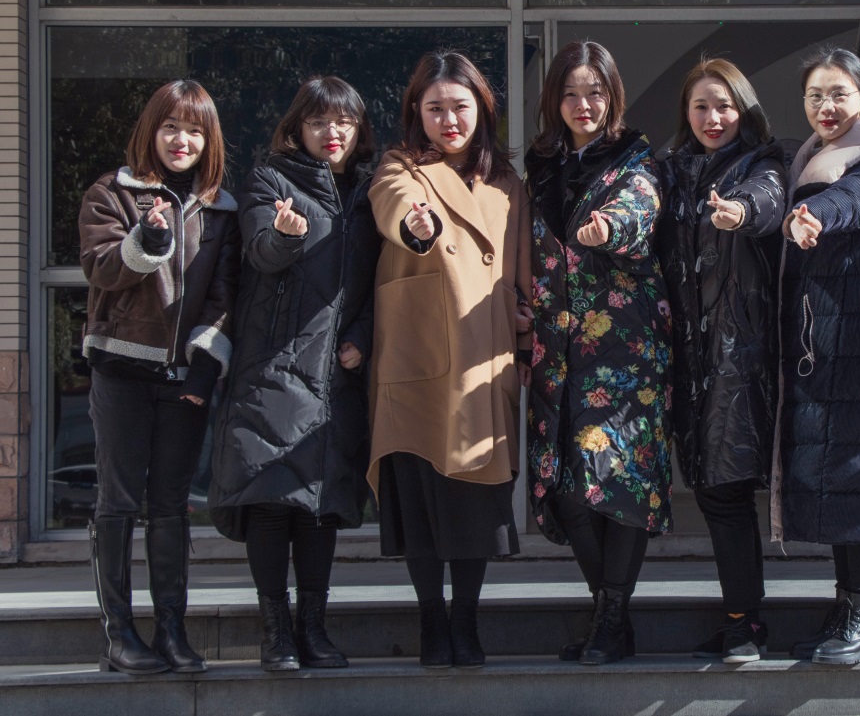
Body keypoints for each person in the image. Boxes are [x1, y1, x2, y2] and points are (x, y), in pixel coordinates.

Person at [209, 76, 382, 671]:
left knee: (319, 507)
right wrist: (284, 236)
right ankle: (275, 631)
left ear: (359, 131)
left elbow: (382, 287)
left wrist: (363, 338)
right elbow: (261, 251)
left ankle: (313, 628)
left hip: (336, 375)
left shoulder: (369, 194)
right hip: (274, 366)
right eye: (318, 122)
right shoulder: (270, 180)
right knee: (271, 499)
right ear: (296, 128)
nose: (332, 133)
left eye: (344, 123)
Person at [367, 51, 532, 669]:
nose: (449, 120)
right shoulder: (400, 167)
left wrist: (526, 334)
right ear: (417, 112)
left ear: (482, 110)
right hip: (419, 362)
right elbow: (399, 208)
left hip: (483, 361)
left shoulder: (508, 183)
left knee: (473, 505)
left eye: (460, 107)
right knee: (421, 501)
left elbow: (524, 272)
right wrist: (418, 226)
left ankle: (465, 619)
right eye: (434, 108)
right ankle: (431, 620)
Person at [78, 79, 239, 674]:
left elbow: (224, 296)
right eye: (171, 127)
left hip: (183, 381)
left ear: (208, 140)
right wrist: (146, 239)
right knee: (118, 502)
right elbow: (100, 269)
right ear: (152, 130)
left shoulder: (220, 209)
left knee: (170, 505)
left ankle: (171, 630)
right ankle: (119, 635)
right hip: (120, 369)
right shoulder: (111, 193)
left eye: (194, 130)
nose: (181, 140)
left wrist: (203, 367)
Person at [525, 40, 672, 666]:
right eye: (570, 94)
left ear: (613, 96)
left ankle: (611, 618)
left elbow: (639, 211)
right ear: (553, 101)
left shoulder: (636, 162)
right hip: (555, 349)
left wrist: (610, 228)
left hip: (624, 350)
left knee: (618, 480)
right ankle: (608, 613)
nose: (582, 105)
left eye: (594, 93)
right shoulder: (541, 167)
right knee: (563, 486)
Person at [769, 47, 860, 666]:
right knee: (838, 480)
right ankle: (846, 606)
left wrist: (811, 214)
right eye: (816, 95)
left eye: (840, 94)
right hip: (825, 343)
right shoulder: (808, 157)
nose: (827, 106)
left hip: (858, 342)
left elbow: (853, 200)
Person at [655, 58, 784, 664]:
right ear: (686, 111)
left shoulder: (762, 165)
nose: (713, 118)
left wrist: (740, 213)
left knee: (725, 489)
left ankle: (745, 623)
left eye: (724, 106)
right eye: (701, 106)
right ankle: (741, 615)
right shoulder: (669, 170)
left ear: (744, 109)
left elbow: (767, 202)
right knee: (709, 487)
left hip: (737, 355)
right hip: (684, 354)